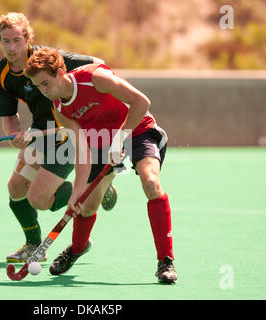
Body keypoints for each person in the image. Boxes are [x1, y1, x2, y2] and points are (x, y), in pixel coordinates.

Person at [24, 48, 177, 284]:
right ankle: (77, 249)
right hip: (101, 144)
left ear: (61, 71)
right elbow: (82, 149)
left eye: (46, 83)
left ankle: (165, 261)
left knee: (151, 182)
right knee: (86, 206)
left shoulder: (95, 78)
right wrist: (76, 192)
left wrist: (120, 137)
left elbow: (141, 102)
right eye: (38, 87)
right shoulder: (60, 108)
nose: (44, 91)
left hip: (138, 130)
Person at [0, 13, 118, 263]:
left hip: (69, 137)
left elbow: (99, 64)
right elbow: (9, 115)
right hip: (42, 134)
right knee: (15, 188)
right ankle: (33, 245)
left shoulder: (47, 59)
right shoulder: (2, 74)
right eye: (5, 41)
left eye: (17, 40)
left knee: (38, 199)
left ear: (28, 38)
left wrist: (85, 107)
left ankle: (95, 187)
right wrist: (14, 135)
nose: (12, 48)